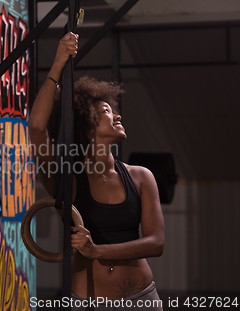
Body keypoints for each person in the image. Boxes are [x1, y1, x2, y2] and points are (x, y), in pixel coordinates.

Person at [29, 32, 165, 310]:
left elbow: (156, 243)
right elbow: (36, 128)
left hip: (141, 299)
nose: (117, 115)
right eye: (107, 110)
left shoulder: (140, 176)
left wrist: (97, 250)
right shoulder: (67, 177)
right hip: (87, 300)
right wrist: (58, 64)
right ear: (87, 124)